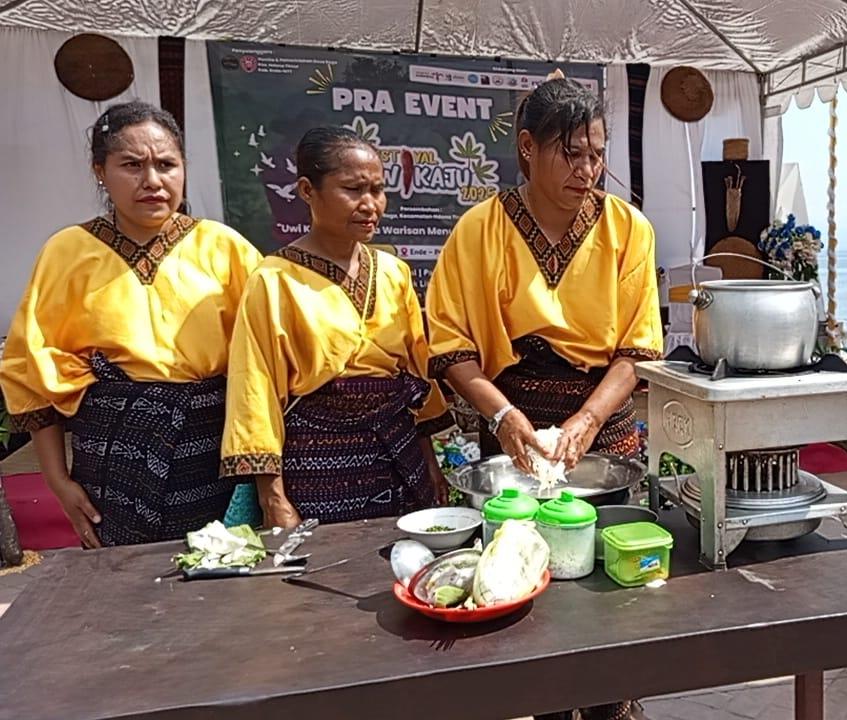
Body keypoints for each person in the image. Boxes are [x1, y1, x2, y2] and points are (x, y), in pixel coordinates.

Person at [426, 78, 661, 720]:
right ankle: (544, 703)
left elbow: (637, 352)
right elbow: (450, 348)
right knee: (520, 572)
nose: (587, 171)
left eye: (596, 154)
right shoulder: (482, 229)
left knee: (606, 578)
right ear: (527, 148)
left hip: (603, 418)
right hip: (513, 417)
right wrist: (501, 416)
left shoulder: (626, 230)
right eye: (570, 155)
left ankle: (614, 699)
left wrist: (589, 417)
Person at [0, 101, 263, 547]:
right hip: (112, 458)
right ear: (100, 170)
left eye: (166, 164)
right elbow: (33, 373)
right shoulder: (68, 252)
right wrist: (58, 482)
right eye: (131, 165)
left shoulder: (225, 248)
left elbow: (264, 364)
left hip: (213, 453)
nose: (153, 182)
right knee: (123, 591)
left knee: (222, 582)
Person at [219, 127, 450, 529]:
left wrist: (430, 462)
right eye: (353, 189)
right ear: (308, 191)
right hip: (319, 464)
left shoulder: (393, 273)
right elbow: (254, 391)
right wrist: (272, 496)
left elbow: (417, 374)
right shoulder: (274, 281)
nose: (370, 204)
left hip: (399, 455)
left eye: (377, 190)